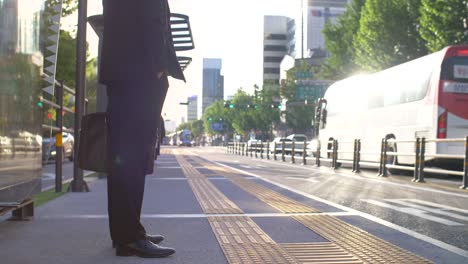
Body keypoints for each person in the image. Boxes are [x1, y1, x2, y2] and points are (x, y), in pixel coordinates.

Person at [99, 0, 185, 258]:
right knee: (131, 158)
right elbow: (149, 16)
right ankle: (129, 237)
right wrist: (158, 67)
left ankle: (128, 233)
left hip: (131, 70)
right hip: (138, 72)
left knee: (128, 158)